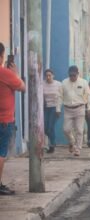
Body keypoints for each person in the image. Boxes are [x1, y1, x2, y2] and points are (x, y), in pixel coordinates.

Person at [0, 42, 26, 195]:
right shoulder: (6, 74)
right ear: (2, 56)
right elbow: (22, 87)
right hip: (4, 120)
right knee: (1, 153)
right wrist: (16, 74)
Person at [57, 65, 90, 156]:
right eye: (71, 75)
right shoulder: (64, 83)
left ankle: (78, 149)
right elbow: (60, 96)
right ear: (68, 74)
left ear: (78, 74)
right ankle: (71, 141)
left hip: (80, 108)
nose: (72, 77)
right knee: (66, 129)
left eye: (74, 75)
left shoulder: (84, 82)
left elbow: (89, 95)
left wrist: (89, 108)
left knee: (79, 130)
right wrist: (58, 108)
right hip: (68, 109)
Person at [43, 69, 61, 153]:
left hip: (54, 107)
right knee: (45, 128)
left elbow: (61, 97)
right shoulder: (42, 84)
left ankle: (52, 145)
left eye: (50, 75)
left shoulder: (58, 84)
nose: (48, 77)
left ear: (53, 76)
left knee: (50, 127)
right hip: (46, 107)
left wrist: (58, 109)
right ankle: (52, 143)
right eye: (46, 75)